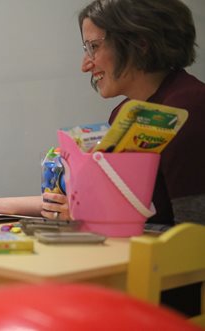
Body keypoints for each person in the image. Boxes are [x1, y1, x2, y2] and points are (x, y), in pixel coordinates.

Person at [77, 0, 205, 317]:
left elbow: (195, 237)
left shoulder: (190, 109)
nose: (86, 64)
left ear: (139, 43)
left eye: (94, 47)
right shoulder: (125, 113)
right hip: (137, 278)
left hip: (172, 299)